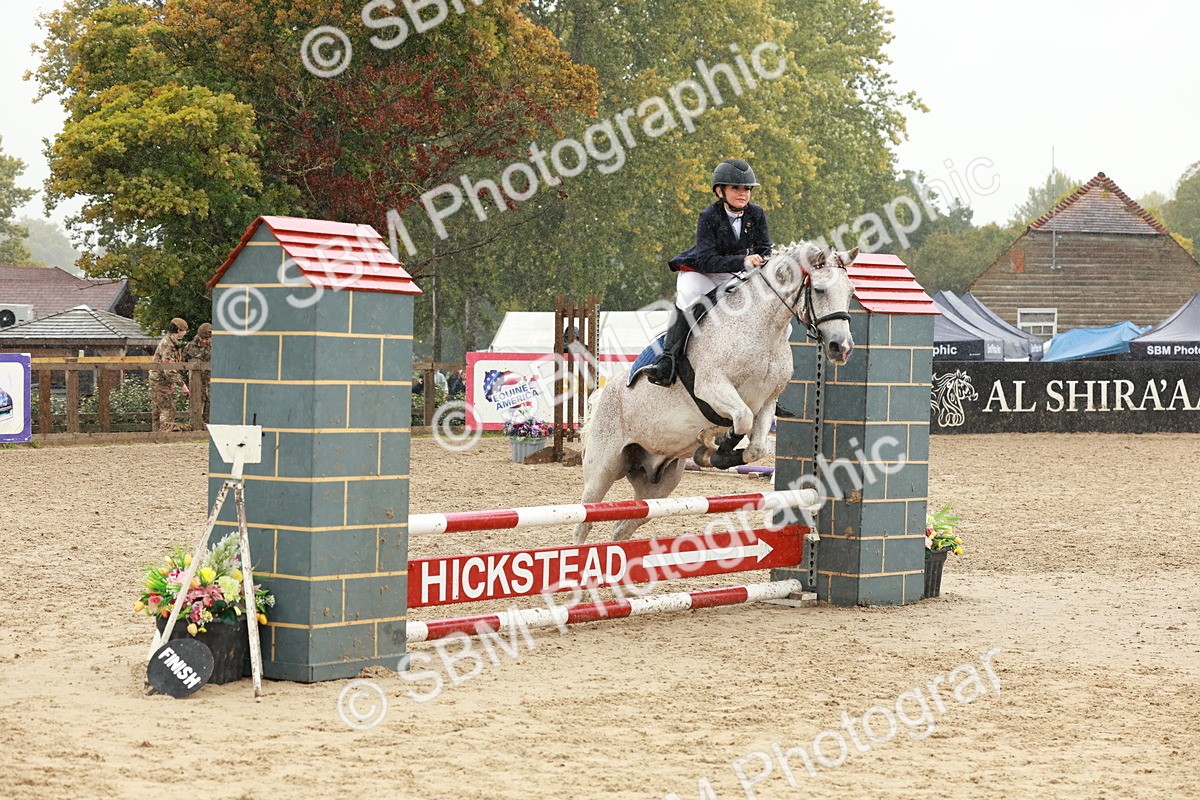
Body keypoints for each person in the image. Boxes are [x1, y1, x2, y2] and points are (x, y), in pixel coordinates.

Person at [645, 159, 773, 386]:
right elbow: (707, 259)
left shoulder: (757, 214)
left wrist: (763, 262)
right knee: (689, 293)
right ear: (719, 191)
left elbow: (765, 249)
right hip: (702, 270)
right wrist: (743, 261)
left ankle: (765, 374)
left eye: (747, 189)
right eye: (736, 188)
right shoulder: (709, 216)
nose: (743, 193)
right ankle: (668, 360)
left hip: (735, 271)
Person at [151, 317, 190, 431]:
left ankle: (156, 436)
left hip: (159, 379)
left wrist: (171, 383)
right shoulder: (168, 345)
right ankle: (164, 435)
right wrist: (183, 386)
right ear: (178, 330)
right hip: (160, 380)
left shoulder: (170, 342)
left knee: (158, 410)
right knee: (168, 409)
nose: (185, 333)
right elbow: (169, 369)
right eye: (184, 330)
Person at [185, 322, 213, 423]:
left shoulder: (216, 346)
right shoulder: (190, 347)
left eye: (208, 339)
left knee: (210, 412)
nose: (205, 341)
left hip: (211, 384)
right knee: (196, 411)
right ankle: (195, 433)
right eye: (203, 339)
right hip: (196, 384)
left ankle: (208, 434)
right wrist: (185, 385)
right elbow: (183, 367)